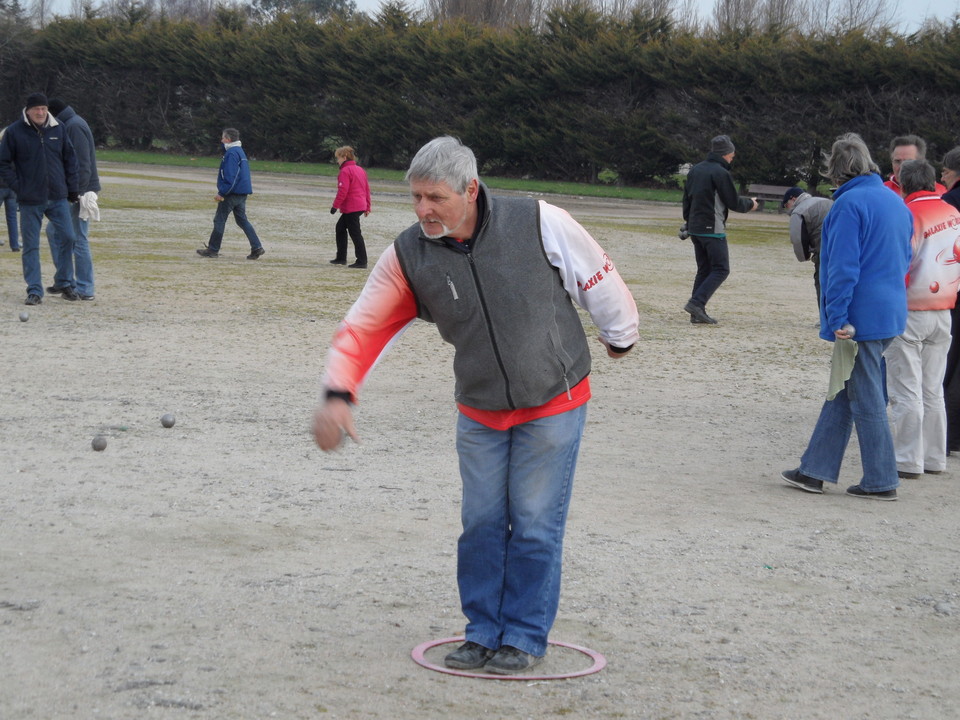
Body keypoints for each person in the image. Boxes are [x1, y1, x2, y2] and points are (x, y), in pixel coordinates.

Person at [311, 136, 639, 674]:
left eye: (435, 197)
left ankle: (525, 637)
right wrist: (338, 392)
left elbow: (596, 273)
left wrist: (620, 334)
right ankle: (482, 632)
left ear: (471, 188)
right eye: (415, 197)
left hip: (553, 399)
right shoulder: (409, 255)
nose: (423, 210)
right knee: (482, 523)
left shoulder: (539, 220)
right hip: (480, 407)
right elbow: (362, 327)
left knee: (534, 522)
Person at [781, 133, 913, 501]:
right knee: (845, 387)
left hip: (860, 316)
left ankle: (881, 479)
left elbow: (840, 267)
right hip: (889, 310)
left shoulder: (848, 205)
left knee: (866, 395)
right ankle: (814, 470)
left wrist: (837, 314)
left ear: (835, 170)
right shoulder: (895, 202)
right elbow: (906, 258)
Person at [883, 159, 960, 480]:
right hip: (944, 310)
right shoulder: (952, 213)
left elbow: (900, 264)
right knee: (932, 389)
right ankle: (932, 456)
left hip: (912, 311)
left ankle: (907, 459)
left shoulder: (908, 214)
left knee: (906, 388)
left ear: (903, 184)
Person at [0, 92, 79, 305]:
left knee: (69, 237)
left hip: (58, 196)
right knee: (31, 246)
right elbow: (3, 163)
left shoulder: (59, 128)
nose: (41, 112)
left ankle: (64, 281)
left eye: (44, 109)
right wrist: (18, 187)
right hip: (29, 200)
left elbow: (70, 159)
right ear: (28, 110)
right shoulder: (14, 132)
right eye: (37, 109)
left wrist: (72, 189)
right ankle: (34, 290)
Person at [680, 134, 758, 324]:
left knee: (704, 269)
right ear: (726, 153)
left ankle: (696, 312)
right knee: (721, 269)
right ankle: (696, 303)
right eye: (732, 155)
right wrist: (751, 204)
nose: (733, 158)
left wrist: (688, 222)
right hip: (711, 227)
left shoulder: (696, 170)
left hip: (695, 228)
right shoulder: (720, 173)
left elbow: (686, 199)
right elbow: (733, 201)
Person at [44, 97, 99, 300]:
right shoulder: (70, 123)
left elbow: (83, 164)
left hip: (79, 193)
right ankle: (66, 281)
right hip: (72, 192)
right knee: (54, 232)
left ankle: (84, 288)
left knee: (77, 238)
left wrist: (76, 195)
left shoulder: (73, 126)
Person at [196, 127, 265, 259]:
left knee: (219, 220)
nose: (221, 140)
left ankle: (213, 249)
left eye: (223, 138)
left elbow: (230, 177)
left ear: (228, 139)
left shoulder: (231, 153)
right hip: (241, 193)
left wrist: (222, 193)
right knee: (242, 221)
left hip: (231, 193)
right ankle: (257, 247)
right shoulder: (239, 151)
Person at [939, 147, 960, 453]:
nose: (941, 176)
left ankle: (948, 433)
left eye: (944, 171)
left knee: (947, 362)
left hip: (954, 291)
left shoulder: (950, 202)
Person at [781, 186, 833, 306]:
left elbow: (797, 238)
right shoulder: (826, 201)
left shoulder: (799, 210)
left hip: (824, 248)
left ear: (793, 199)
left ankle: (825, 317)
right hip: (844, 245)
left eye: (786, 205)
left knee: (821, 281)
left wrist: (804, 256)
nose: (787, 209)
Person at [329, 145, 371, 269]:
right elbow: (366, 189)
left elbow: (343, 190)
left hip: (352, 207)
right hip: (359, 206)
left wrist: (334, 206)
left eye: (338, 158)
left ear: (344, 157)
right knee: (340, 228)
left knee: (355, 233)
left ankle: (362, 260)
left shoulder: (345, 171)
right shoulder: (360, 170)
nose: (337, 160)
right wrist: (367, 206)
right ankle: (341, 257)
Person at [882, 135, 946, 196]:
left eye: (908, 162)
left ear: (921, 163)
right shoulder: (882, 191)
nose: (901, 167)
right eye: (897, 161)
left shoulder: (940, 193)